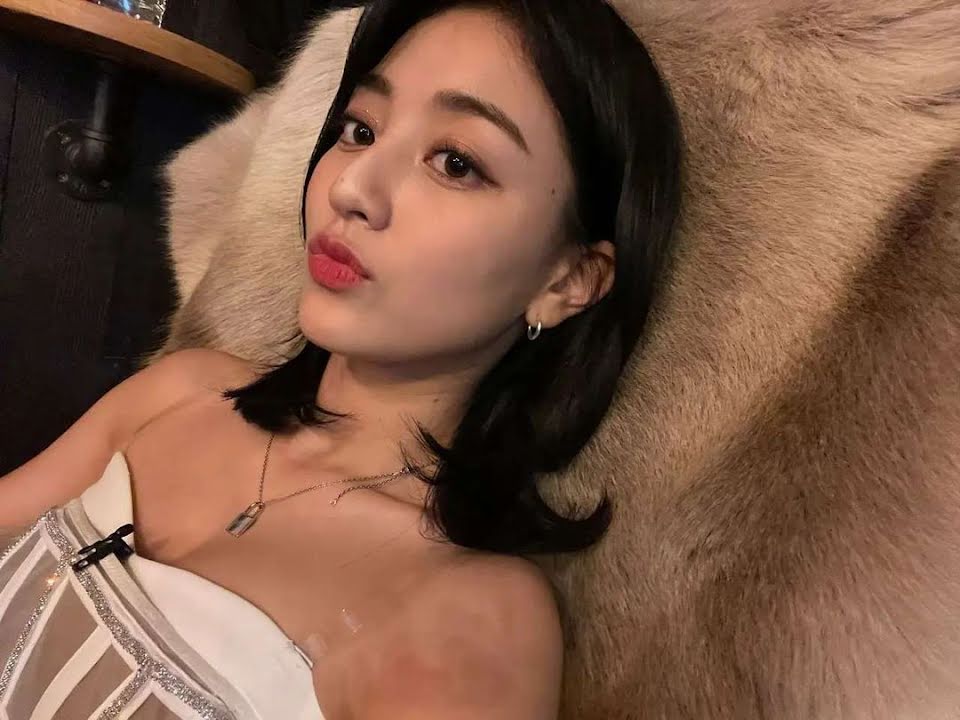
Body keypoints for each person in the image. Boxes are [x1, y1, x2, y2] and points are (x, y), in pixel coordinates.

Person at [0, 0, 681, 717]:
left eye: (456, 163)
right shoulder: (185, 390)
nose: (350, 188)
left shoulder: (472, 616)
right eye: (360, 130)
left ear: (568, 281)